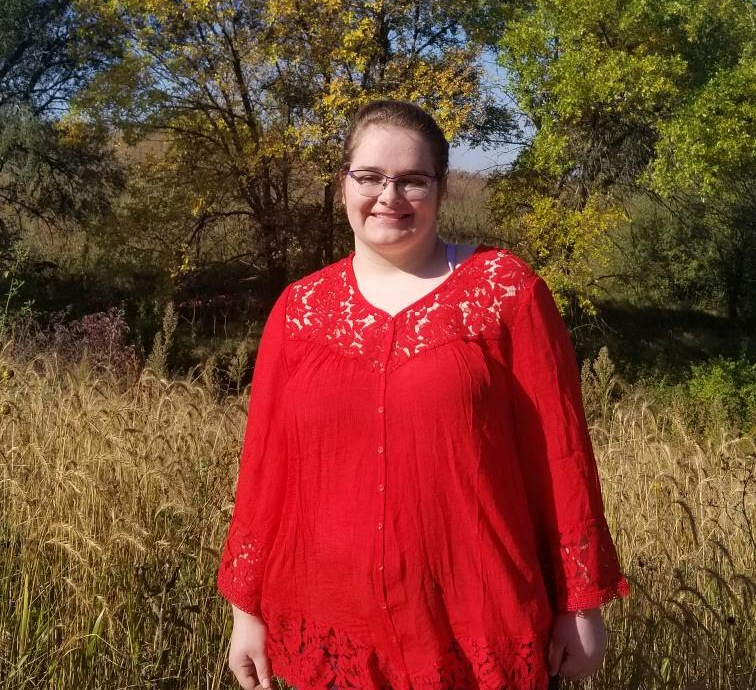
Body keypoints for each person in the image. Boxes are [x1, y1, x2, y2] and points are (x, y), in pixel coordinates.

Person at [217, 100, 630, 690]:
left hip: (475, 617)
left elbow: (560, 456)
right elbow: (264, 471)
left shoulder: (505, 291)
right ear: (343, 185)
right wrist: (245, 610)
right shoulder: (299, 310)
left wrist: (580, 605)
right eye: (370, 177)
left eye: (413, 179)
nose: (390, 196)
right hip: (327, 623)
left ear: (440, 188)